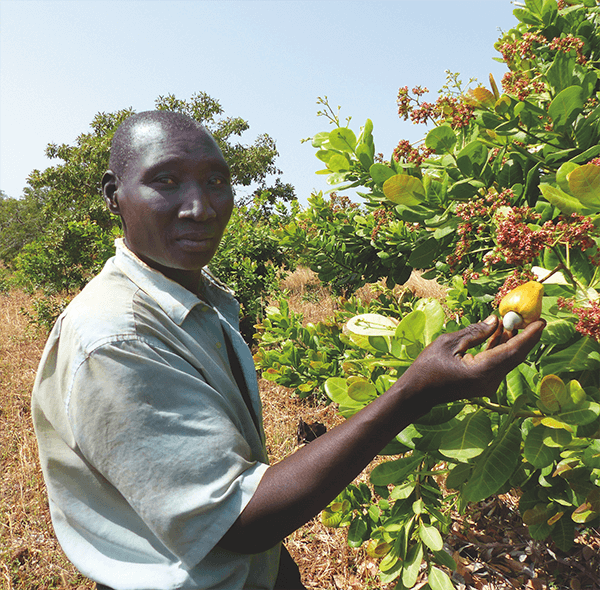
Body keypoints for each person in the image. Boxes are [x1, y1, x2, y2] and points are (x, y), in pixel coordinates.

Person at [31, 110, 545, 590]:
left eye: (215, 181)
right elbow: (236, 522)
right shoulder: (117, 337)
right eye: (165, 181)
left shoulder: (192, 295)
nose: (201, 207)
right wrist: (411, 394)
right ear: (113, 194)